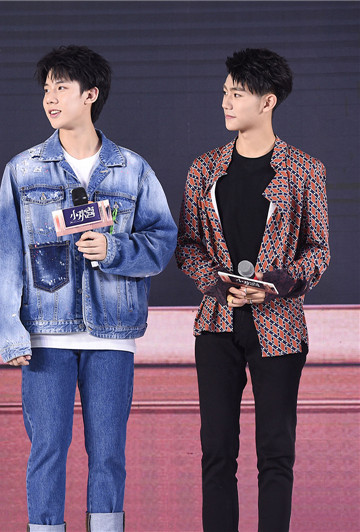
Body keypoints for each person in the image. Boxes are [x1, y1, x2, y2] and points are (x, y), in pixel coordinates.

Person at [0, 45, 177, 532]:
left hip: (113, 334)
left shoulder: (132, 169)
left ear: (90, 95)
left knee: (109, 452)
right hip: (45, 333)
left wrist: (113, 249)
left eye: (62, 88)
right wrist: (8, 331)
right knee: (47, 449)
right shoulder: (23, 169)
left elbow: (163, 242)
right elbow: (6, 255)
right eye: (46, 89)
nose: (50, 98)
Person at [175, 48, 330, 531]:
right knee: (217, 452)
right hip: (217, 326)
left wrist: (277, 286)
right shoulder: (204, 169)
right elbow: (187, 246)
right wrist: (216, 285)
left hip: (279, 328)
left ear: (267, 101)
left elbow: (319, 250)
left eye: (237, 94)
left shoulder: (305, 169)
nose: (225, 102)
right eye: (225, 92)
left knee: (276, 453)